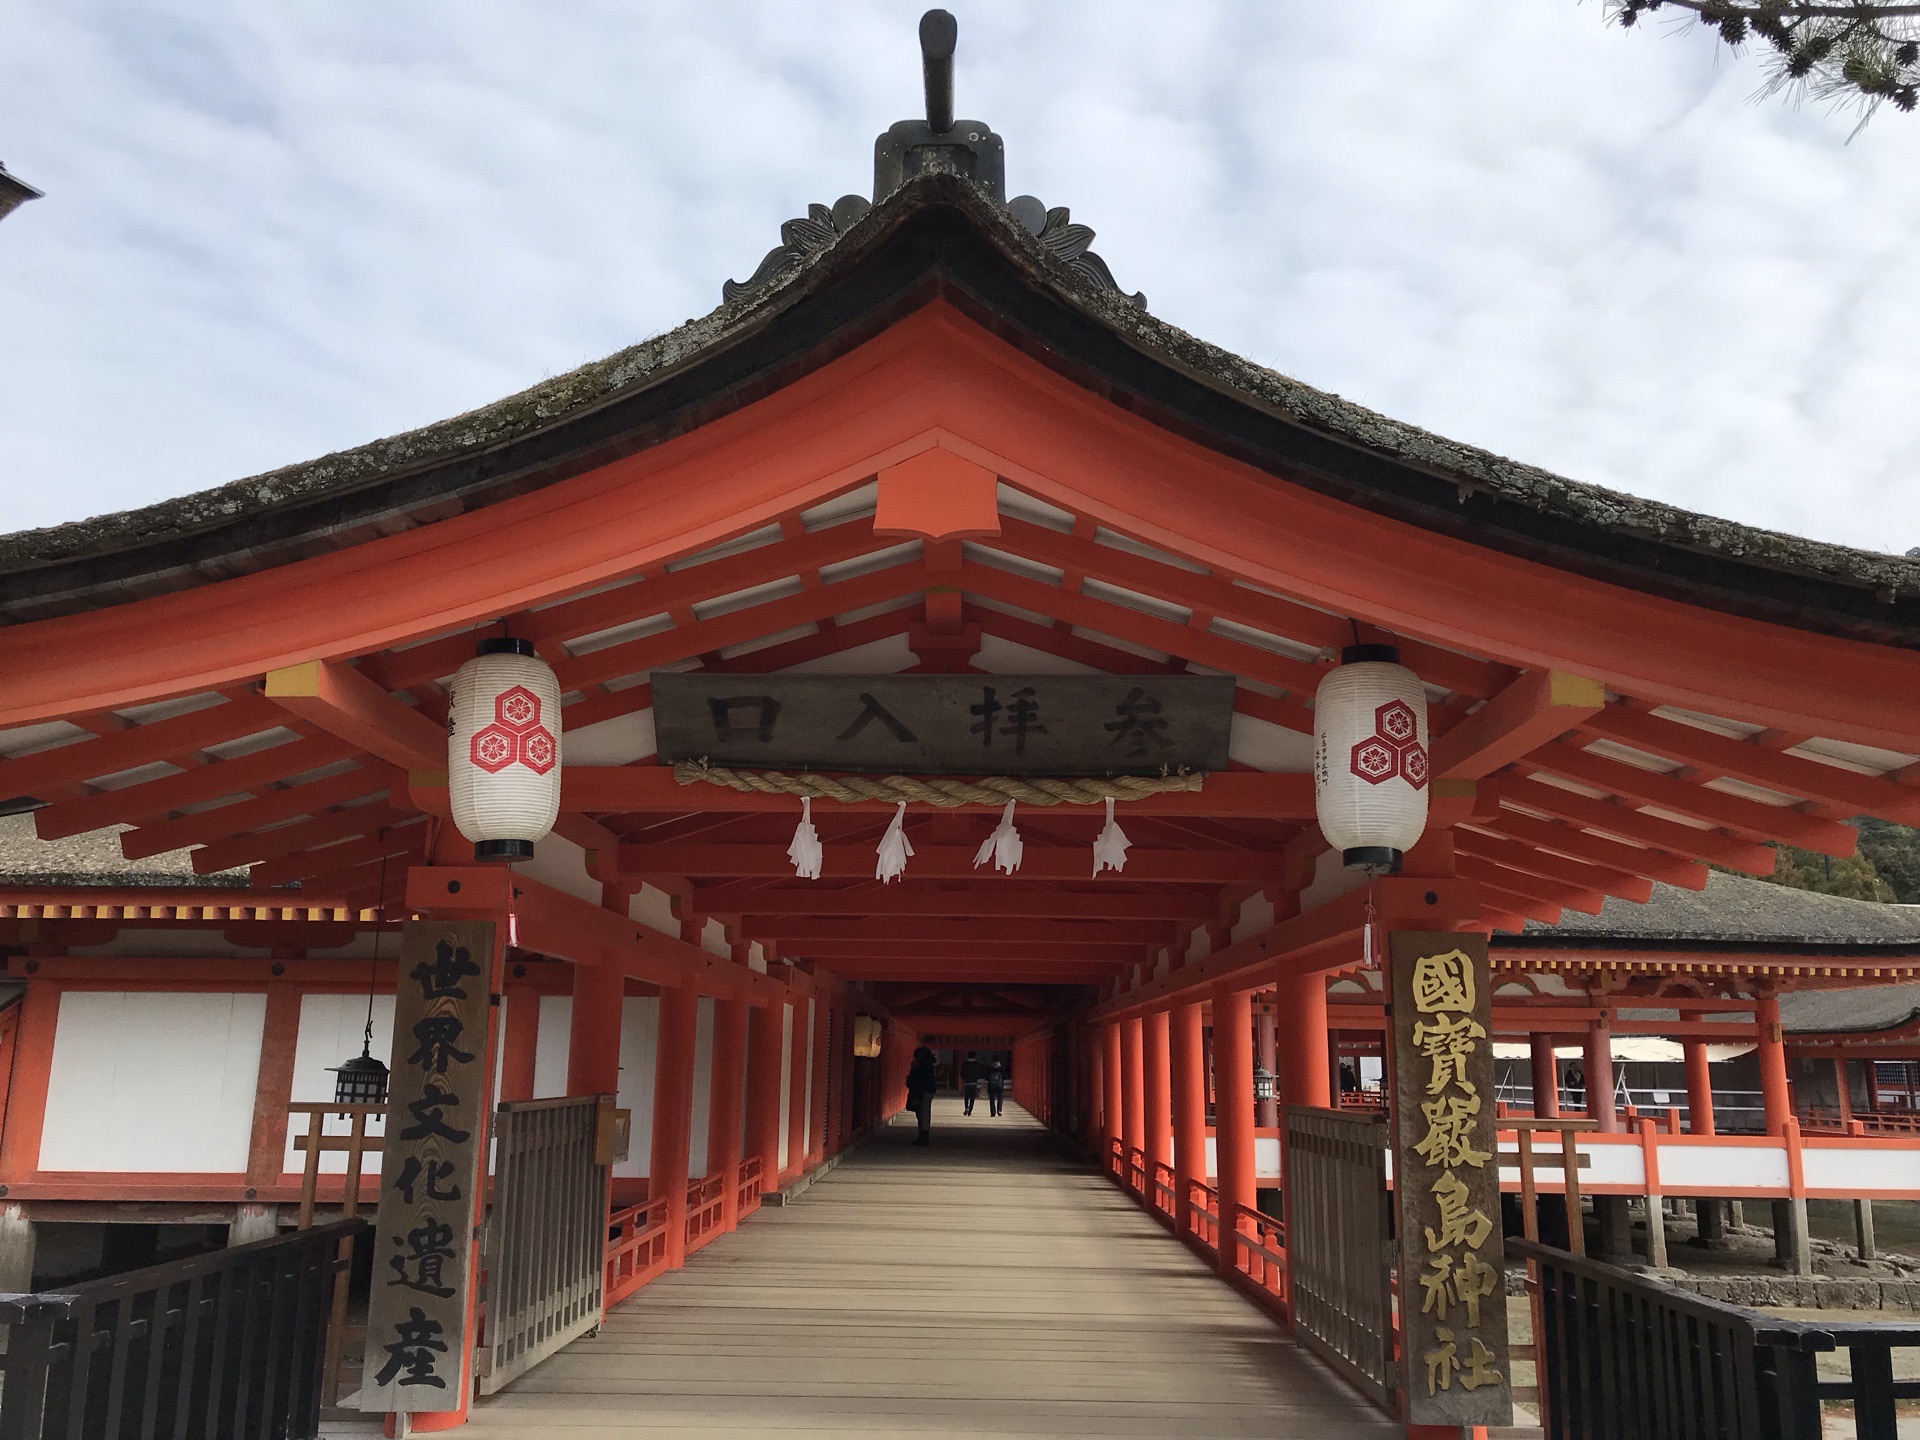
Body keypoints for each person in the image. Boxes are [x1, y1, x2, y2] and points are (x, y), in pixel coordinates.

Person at [905, 1046, 938, 1146]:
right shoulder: (929, 1064)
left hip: (922, 1090)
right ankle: (923, 1135)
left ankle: (923, 1137)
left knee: (922, 1113)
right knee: (924, 1112)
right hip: (927, 1090)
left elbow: (918, 1077)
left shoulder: (923, 1064)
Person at [961, 1050, 984, 1115]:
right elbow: (980, 1074)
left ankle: (966, 1108)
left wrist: (964, 1078)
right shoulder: (977, 1064)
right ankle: (970, 1110)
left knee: (966, 1097)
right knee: (972, 1097)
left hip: (966, 1083)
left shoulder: (964, 1064)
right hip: (973, 1083)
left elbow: (962, 1074)